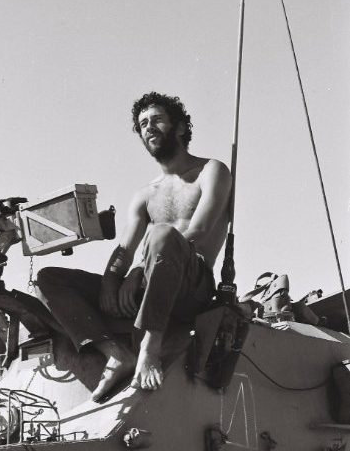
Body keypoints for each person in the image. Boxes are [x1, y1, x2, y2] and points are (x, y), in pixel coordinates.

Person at [36, 92, 232, 401]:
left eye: (157, 120)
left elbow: (199, 229)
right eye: (142, 124)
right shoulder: (145, 194)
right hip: (149, 284)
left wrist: (139, 270)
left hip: (192, 286)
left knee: (163, 234)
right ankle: (115, 353)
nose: (149, 127)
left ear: (181, 127)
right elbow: (124, 250)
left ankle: (148, 350)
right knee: (49, 278)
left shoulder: (211, 171)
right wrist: (111, 282)